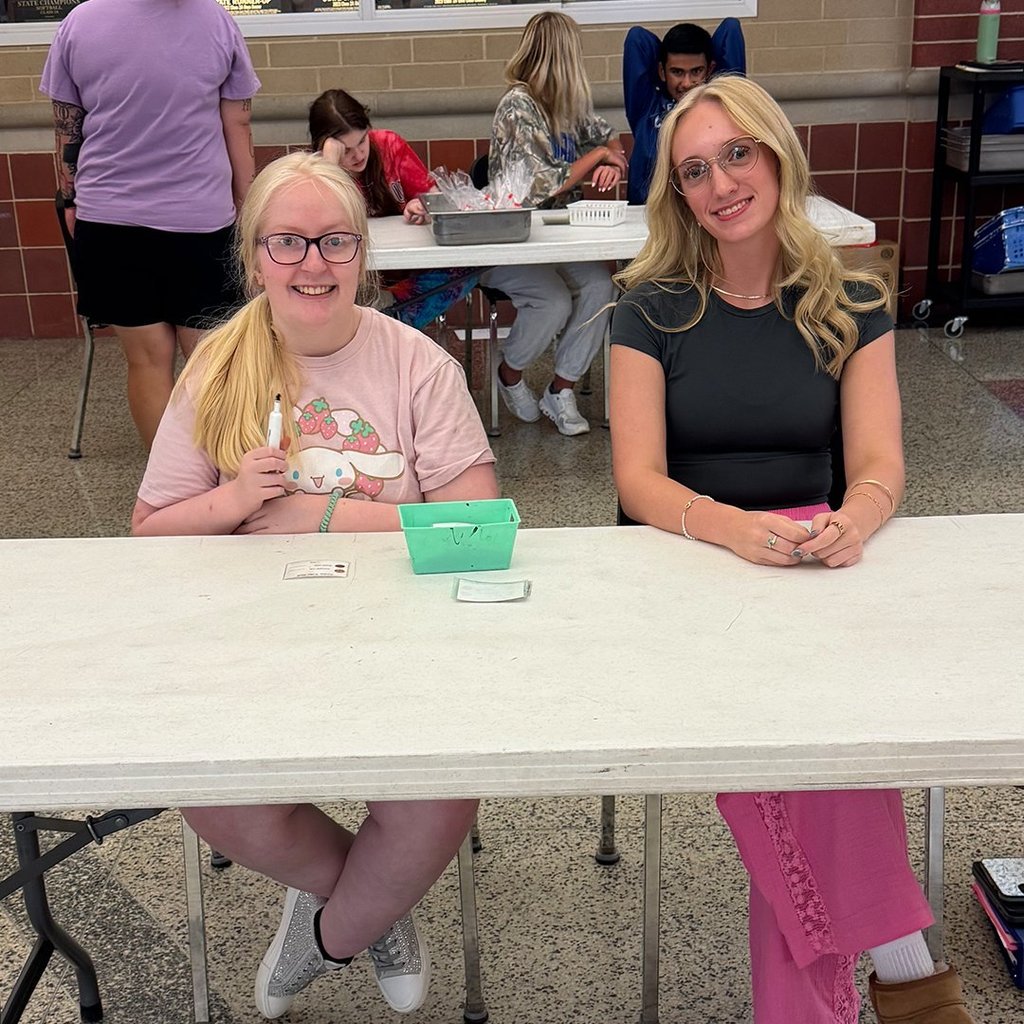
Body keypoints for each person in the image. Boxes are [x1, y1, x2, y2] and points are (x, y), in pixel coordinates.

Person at [609, 76, 976, 1024]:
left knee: (824, 739)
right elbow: (638, 481)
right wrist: (736, 531)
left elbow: (882, 461)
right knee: (795, 745)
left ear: (777, 155)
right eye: (695, 170)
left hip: (817, 564)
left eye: (737, 154)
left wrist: (859, 514)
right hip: (687, 563)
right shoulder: (646, 306)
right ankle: (907, 973)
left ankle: (855, 992)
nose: (722, 182)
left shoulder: (851, 296)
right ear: (676, 194)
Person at [132, 152, 498, 1019]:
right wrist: (234, 500)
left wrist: (320, 515)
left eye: (334, 241)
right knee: (221, 805)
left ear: (362, 256)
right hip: (250, 647)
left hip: (399, 642)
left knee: (439, 799)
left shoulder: (418, 367)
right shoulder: (218, 369)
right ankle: (377, 905)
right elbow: (147, 535)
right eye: (287, 243)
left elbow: (480, 530)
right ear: (254, 257)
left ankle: (336, 925)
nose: (312, 263)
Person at [39, 0, 259, 450]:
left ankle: (169, 489)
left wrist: (71, 196)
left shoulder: (79, 22)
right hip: (201, 222)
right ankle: (219, 478)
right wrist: (250, 204)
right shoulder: (216, 20)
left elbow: (67, 130)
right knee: (211, 361)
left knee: (145, 362)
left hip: (109, 222)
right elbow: (237, 121)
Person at [482, 10, 628, 437]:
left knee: (602, 288)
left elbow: (608, 135)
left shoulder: (564, 104)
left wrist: (613, 160)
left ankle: (560, 389)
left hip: (557, 235)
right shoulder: (518, 105)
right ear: (561, 58)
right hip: (510, 237)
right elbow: (540, 185)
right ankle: (509, 373)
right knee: (554, 302)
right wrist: (597, 158)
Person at [309, 88, 479, 331]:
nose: (358, 155)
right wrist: (330, 167)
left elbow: (432, 197)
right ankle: (387, 322)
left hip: (409, 270)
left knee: (467, 268)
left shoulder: (388, 144)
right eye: (345, 150)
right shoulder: (316, 170)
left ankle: (392, 320)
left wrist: (420, 205)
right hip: (357, 273)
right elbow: (319, 227)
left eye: (361, 141)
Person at [622, 19, 746, 206]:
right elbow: (637, 39)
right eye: (677, 72)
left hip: (706, 213)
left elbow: (731, 29)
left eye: (696, 71)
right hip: (648, 216)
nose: (687, 83)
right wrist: (665, 52)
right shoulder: (647, 107)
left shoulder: (723, 106)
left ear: (710, 70)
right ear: (662, 72)